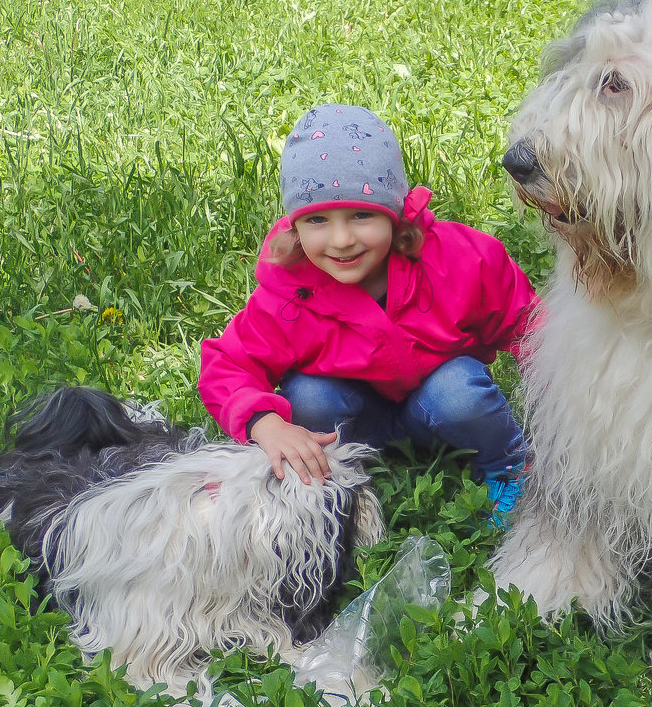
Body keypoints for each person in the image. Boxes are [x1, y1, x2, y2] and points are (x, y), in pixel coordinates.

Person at [199, 103, 537, 521]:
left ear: (396, 214)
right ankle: (340, 478)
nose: (341, 240)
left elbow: (529, 324)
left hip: (438, 407)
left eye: (362, 215)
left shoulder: (461, 259)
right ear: (294, 228)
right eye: (317, 219)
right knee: (307, 396)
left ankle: (508, 468)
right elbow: (227, 362)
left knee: (459, 391)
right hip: (351, 423)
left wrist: (567, 400)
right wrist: (265, 424)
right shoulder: (288, 294)